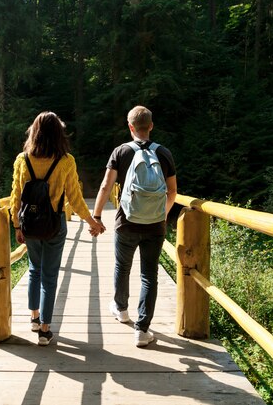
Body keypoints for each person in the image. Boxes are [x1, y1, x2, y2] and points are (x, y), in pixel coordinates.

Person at [10, 111, 105, 346]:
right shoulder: (65, 161)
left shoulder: (22, 159)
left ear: (34, 132)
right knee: (50, 276)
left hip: (30, 223)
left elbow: (16, 196)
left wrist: (16, 224)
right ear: (59, 134)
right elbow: (75, 197)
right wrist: (92, 222)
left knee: (34, 269)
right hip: (54, 224)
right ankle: (44, 330)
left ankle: (33, 318)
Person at [92, 105, 177, 347]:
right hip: (155, 226)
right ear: (150, 126)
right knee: (149, 275)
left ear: (130, 127)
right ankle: (142, 330)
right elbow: (172, 191)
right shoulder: (164, 153)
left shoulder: (120, 152)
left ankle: (121, 309)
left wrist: (97, 217)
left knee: (123, 267)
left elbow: (105, 187)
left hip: (126, 223)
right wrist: (161, 215)